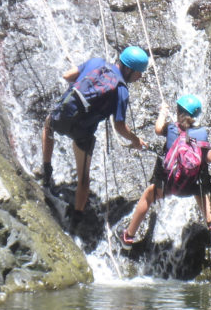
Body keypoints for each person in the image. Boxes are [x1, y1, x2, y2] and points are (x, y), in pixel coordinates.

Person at [41, 46, 149, 226]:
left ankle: (46, 170)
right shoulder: (121, 90)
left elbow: (68, 76)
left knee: (48, 125)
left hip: (64, 116)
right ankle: (76, 217)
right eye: (139, 73)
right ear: (128, 70)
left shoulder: (96, 63)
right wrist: (136, 141)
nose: (140, 77)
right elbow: (120, 126)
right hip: (83, 132)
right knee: (83, 177)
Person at [121, 93, 211, 246]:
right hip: (190, 186)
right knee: (202, 192)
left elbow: (158, 129)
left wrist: (162, 112)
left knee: (148, 196)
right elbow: (209, 159)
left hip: (168, 186)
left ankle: (128, 237)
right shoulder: (201, 133)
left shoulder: (172, 128)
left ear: (178, 111)